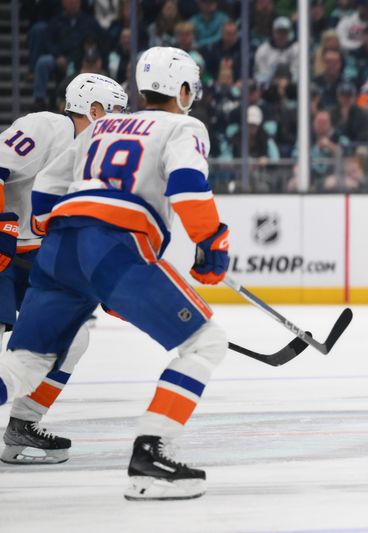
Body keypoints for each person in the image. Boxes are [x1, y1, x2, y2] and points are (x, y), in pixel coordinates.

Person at [0, 47, 230, 501]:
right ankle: (152, 456)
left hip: (61, 250)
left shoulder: (100, 126)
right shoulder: (185, 125)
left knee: (26, 361)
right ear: (183, 90)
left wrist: (61, 235)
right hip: (116, 246)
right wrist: (213, 242)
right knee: (205, 342)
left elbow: (46, 186)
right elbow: (187, 186)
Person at [0, 73, 128, 465]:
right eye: (116, 112)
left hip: (36, 258)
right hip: (4, 250)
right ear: (93, 110)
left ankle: (22, 427)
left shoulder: (99, 159)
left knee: (72, 337)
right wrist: (1, 222)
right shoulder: (47, 127)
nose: (122, 122)